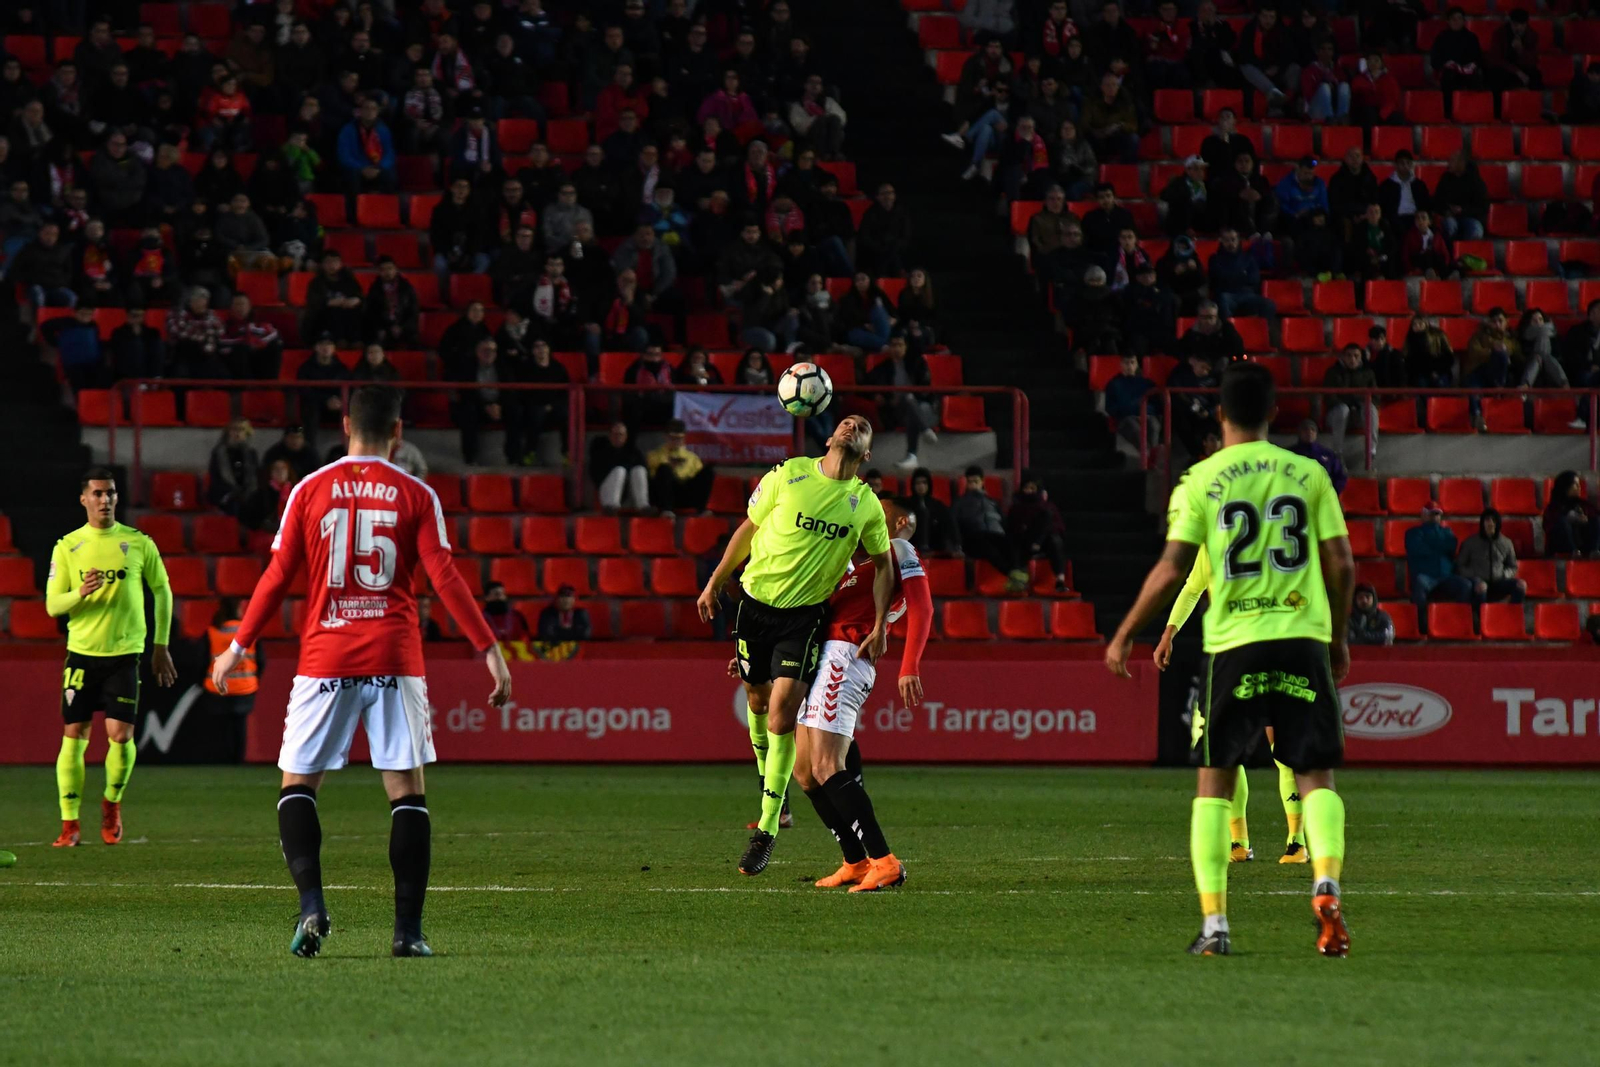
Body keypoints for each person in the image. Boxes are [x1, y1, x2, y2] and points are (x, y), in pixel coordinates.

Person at [210, 386, 512, 959]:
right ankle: (407, 932)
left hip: (325, 657)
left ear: (345, 423)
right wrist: (489, 648)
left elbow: (276, 577)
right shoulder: (415, 492)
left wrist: (236, 645)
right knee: (406, 793)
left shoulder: (308, 489)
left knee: (298, 786)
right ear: (398, 430)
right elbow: (444, 576)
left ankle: (311, 904)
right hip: (395, 660)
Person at [1105, 361, 1354, 957]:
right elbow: (1342, 564)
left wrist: (1127, 634)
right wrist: (1338, 638)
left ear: (1219, 414)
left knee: (1213, 783)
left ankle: (1215, 926)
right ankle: (1325, 882)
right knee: (1315, 773)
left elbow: (1171, 569)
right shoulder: (1309, 474)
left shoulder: (1200, 479)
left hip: (1233, 644)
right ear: (1273, 413)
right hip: (1301, 636)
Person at [696, 415, 893, 877]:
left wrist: (881, 624)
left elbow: (884, 566)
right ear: (829, 438)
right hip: (753, 605)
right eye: (846, 422)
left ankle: (767, 828)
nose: (853, 426)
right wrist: (714, 583)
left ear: (866, 454)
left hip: (804, 618)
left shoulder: (865, 504)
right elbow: (747, 528)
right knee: (758, 703)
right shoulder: (789, 474)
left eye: (863, 427)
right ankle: (775, 790)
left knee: (784, 714)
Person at [789, 498, 931, 893]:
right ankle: (854, 862)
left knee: (826, 767)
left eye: (879, 511)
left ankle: (883, 860)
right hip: (821, 660)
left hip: (845, 657)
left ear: (900, 521)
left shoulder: (899, 549)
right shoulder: (859, 568)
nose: (868, 514)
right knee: (804, 772)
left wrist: (909, 665)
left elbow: (923, 607)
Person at [1151, 546, 1314, 866]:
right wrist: (1169, 632)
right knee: (1227, 749)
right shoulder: (1214, 540)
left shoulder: (1264, 535)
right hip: (1229, 654)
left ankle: (1297, 841)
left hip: (1272, 650)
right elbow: (1192, 587)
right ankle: (1239, 841)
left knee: (1281, 749)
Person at [40, 467, 174, 851]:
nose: (105, 500)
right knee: (75, 735)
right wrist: (80, 592)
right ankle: (70, 824)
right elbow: (53, 605)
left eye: (111, 493)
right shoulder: (67, 546)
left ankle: (112, 805)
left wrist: (160, 645)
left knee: (121, 734)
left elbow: (161, 591)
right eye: (97, 494)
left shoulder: (138, 543)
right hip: (82, 654)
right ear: (84, 499)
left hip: (124, 654)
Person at [203, 597, 260, 764]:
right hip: (245, 687)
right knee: (239, 726)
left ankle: (221, 760)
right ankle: (238, 760)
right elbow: (260, 660)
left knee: (221, 728)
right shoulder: (248, 631)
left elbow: (202, 658)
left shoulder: (213, 632)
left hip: (217, 688)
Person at [953, 466, 1028, 592]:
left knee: (1011, 541)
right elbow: (953, 523)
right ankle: (1012, 574)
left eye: (975, 481)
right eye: (970, 482)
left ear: (982, 482)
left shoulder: (992, 502)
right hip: (973, 538)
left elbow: (1004, 522)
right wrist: (956, 545)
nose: (973, 485)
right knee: (986, 544)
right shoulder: (960, 502)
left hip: (994, 534)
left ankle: (1017, 571)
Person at [1006, 471, 1069, 593]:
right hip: (1024, 541)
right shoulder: (1016, 508)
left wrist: (1040, 537)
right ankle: (1018, 580)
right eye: (1026, 488)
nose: (1029, 491)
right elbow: (1012, 528)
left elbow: (1059, 527)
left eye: (1032, 488)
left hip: (1044, 542)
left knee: (1053, 535)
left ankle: (1060, 580)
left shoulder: (1048, 506)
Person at [1406, 501, 1473, 612]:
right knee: (1419, 584)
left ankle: (1460, 620)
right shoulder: (1413, 533)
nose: (1435, 517)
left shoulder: (1447, 532)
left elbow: (1452, 545)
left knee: (1466, 585)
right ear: (1423, 514)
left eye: (1437, 514)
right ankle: (1421, 624)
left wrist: (1429, 543)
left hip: (1445, 576)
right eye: (1431, 514)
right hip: (1425, 576)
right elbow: (1417, 548)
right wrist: (1441, 546)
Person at [1456, 509, 1525, 606]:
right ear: (1482, 523)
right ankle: (1479, 618)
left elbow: (1512, 566)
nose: (1490, 523)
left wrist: (1504, 574)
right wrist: (1474, 575)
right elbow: (1460, 565)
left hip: (1499, 581)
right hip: (1479, 581)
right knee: (1481, 586)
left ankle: (1511, 616)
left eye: (1493, 520)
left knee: (1521, 585)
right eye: (1487, 520)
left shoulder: (1506, 543)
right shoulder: (1470, 542)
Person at [647, 419, 716, 512]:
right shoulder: (654, 455)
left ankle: (701, 510)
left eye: (679, 438)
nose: (675, 441)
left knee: (708, 472)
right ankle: (666, 510)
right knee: (664, 469)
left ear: (684, 438)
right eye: (672, 438)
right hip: (664, 495)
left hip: (684, 494)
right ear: (665, 437)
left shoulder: (692, 458)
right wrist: (669, 465)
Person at [1208, 228, 1274, 322]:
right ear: (1221, 241)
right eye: (1226, 240)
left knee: (1269, 304)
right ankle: (1229, 332)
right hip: (1227, 295)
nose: (1230, 243)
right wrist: (1242, 274)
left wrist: (1231, 276)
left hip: (1247, 295)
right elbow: (1217, 278)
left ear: (1238, 240)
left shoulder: (1248, 257)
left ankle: (1261, 333)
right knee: (1222, 301)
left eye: (1233, 239)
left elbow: (1255, 278)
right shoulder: (1214, 259)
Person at [1322, 345, 1378, 454]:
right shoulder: (1333, 372)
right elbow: (1329, 397)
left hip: (1359, 415)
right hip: (1337, 415)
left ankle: (1371, 451)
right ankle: (1337, 453)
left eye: (1356, 356)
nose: (1352, 359)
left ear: (1361, 357)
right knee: (1343, 409)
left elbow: (1375, 396)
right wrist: (1348, 405)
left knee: (1370, 408)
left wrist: (1357, 406)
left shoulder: (1368, 373)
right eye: (1349, 356)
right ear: (1343, 357)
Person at [589, 421, 650, 511]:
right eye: (615, 434)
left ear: (626, 437)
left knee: (639, 469)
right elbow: (596, 476)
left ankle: (643, 506)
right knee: (619, 470)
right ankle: (612, 507)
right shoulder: (601, 453)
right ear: (610, 436)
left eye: (621, 434)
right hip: (607, 492)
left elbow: (643, 470)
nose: (618, 437)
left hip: (629, 491)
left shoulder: (633, 452)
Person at [209, 418, 262, 516]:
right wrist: (234, 492)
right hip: (225, 493)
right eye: (234, 429)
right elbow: (216, 479)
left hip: (247, 492)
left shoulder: (251, 453)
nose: (237, 433)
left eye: (241, 430)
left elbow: (255, 477)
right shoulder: (219, 453)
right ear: (228, 432)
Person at [1543, 471, 1600, 558]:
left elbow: (1594, 517)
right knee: (1562, 522)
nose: (1579, 488)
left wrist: (1586, 519)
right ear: (1566, 487)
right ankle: (1573, 551)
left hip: (1584, 544)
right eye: (1576, 485)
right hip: (1562, 547)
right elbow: (1549, 526)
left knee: (1596, 520)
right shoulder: (1553, 507)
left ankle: (1595, 551)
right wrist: (1570, 518)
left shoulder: (1584, 505)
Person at [1286, 419, 1348, 495]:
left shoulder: (1328, 454)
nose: (1309, 432)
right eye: (1305, 429)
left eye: (1313, 430)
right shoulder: (1289, 454)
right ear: (1299, 433)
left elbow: (1340, 476)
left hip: (1322, 495)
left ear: (1316, 433)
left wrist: (1332, 493)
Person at [482, 581, 533, 645]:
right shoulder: (481, 619)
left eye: (503, 594)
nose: (501, 597)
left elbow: (525, 638)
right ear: (487, 598)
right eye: (496, 594)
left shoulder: (517, 616)